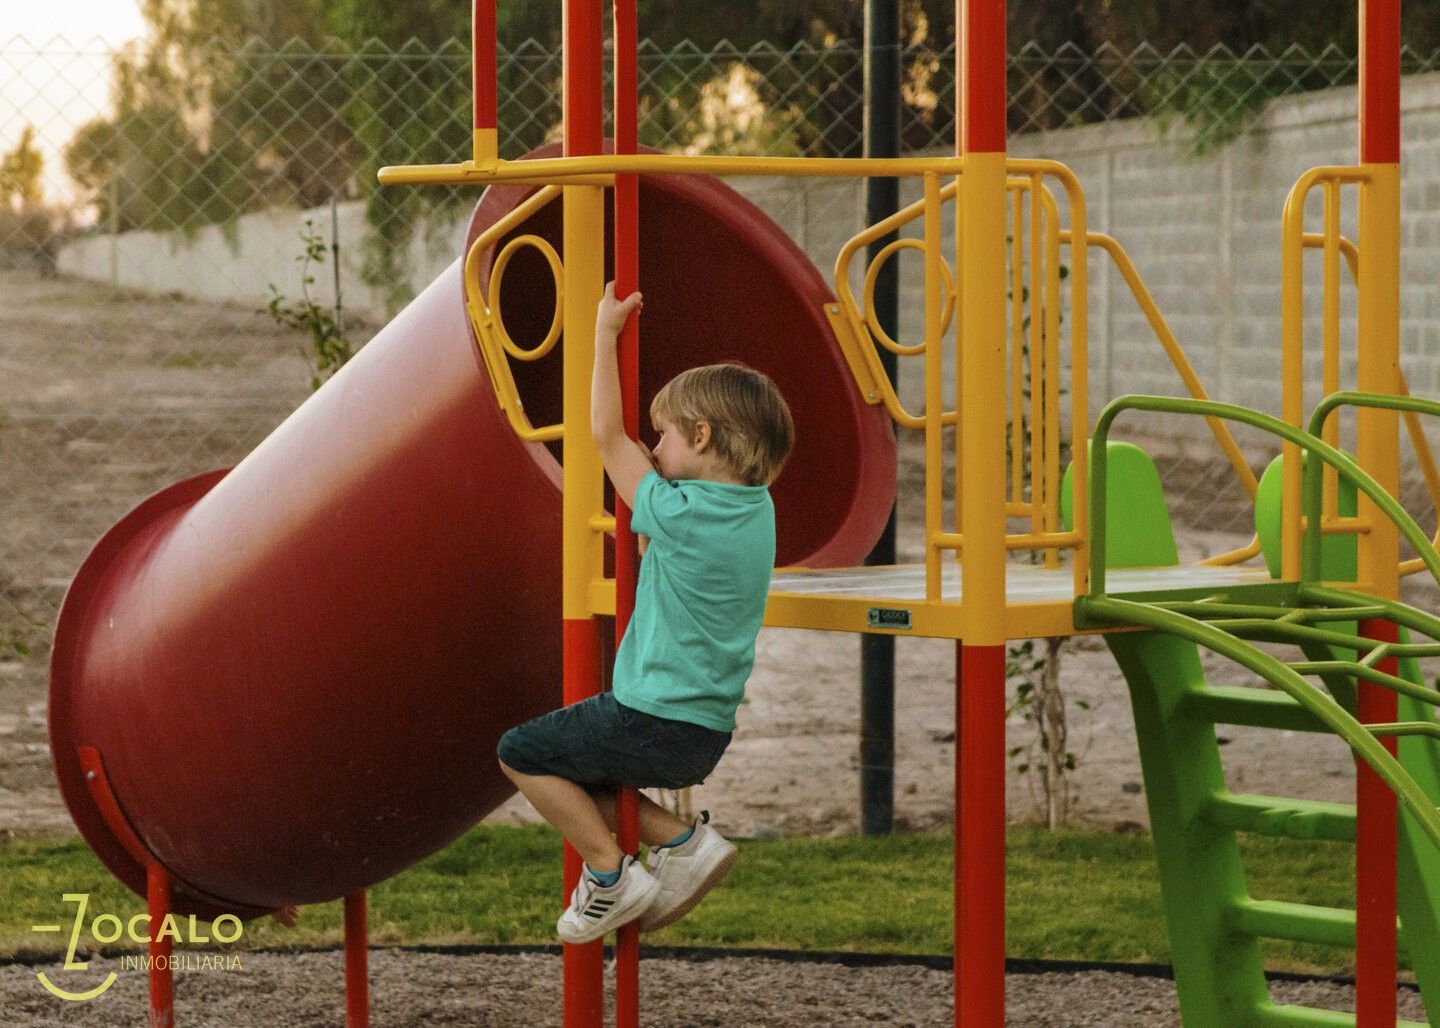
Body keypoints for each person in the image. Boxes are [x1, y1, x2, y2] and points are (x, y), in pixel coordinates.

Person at [497, 282, 795, 944]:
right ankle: (685, 843)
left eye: (663, 435)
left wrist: (602, 333)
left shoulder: (681, 512)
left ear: (702, 435)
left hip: (652, 714)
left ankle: (610, 875)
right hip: (703, 727)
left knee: (521, 753)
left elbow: (606, 436)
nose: (654, 450)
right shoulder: (755, 512)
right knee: (581, 772)